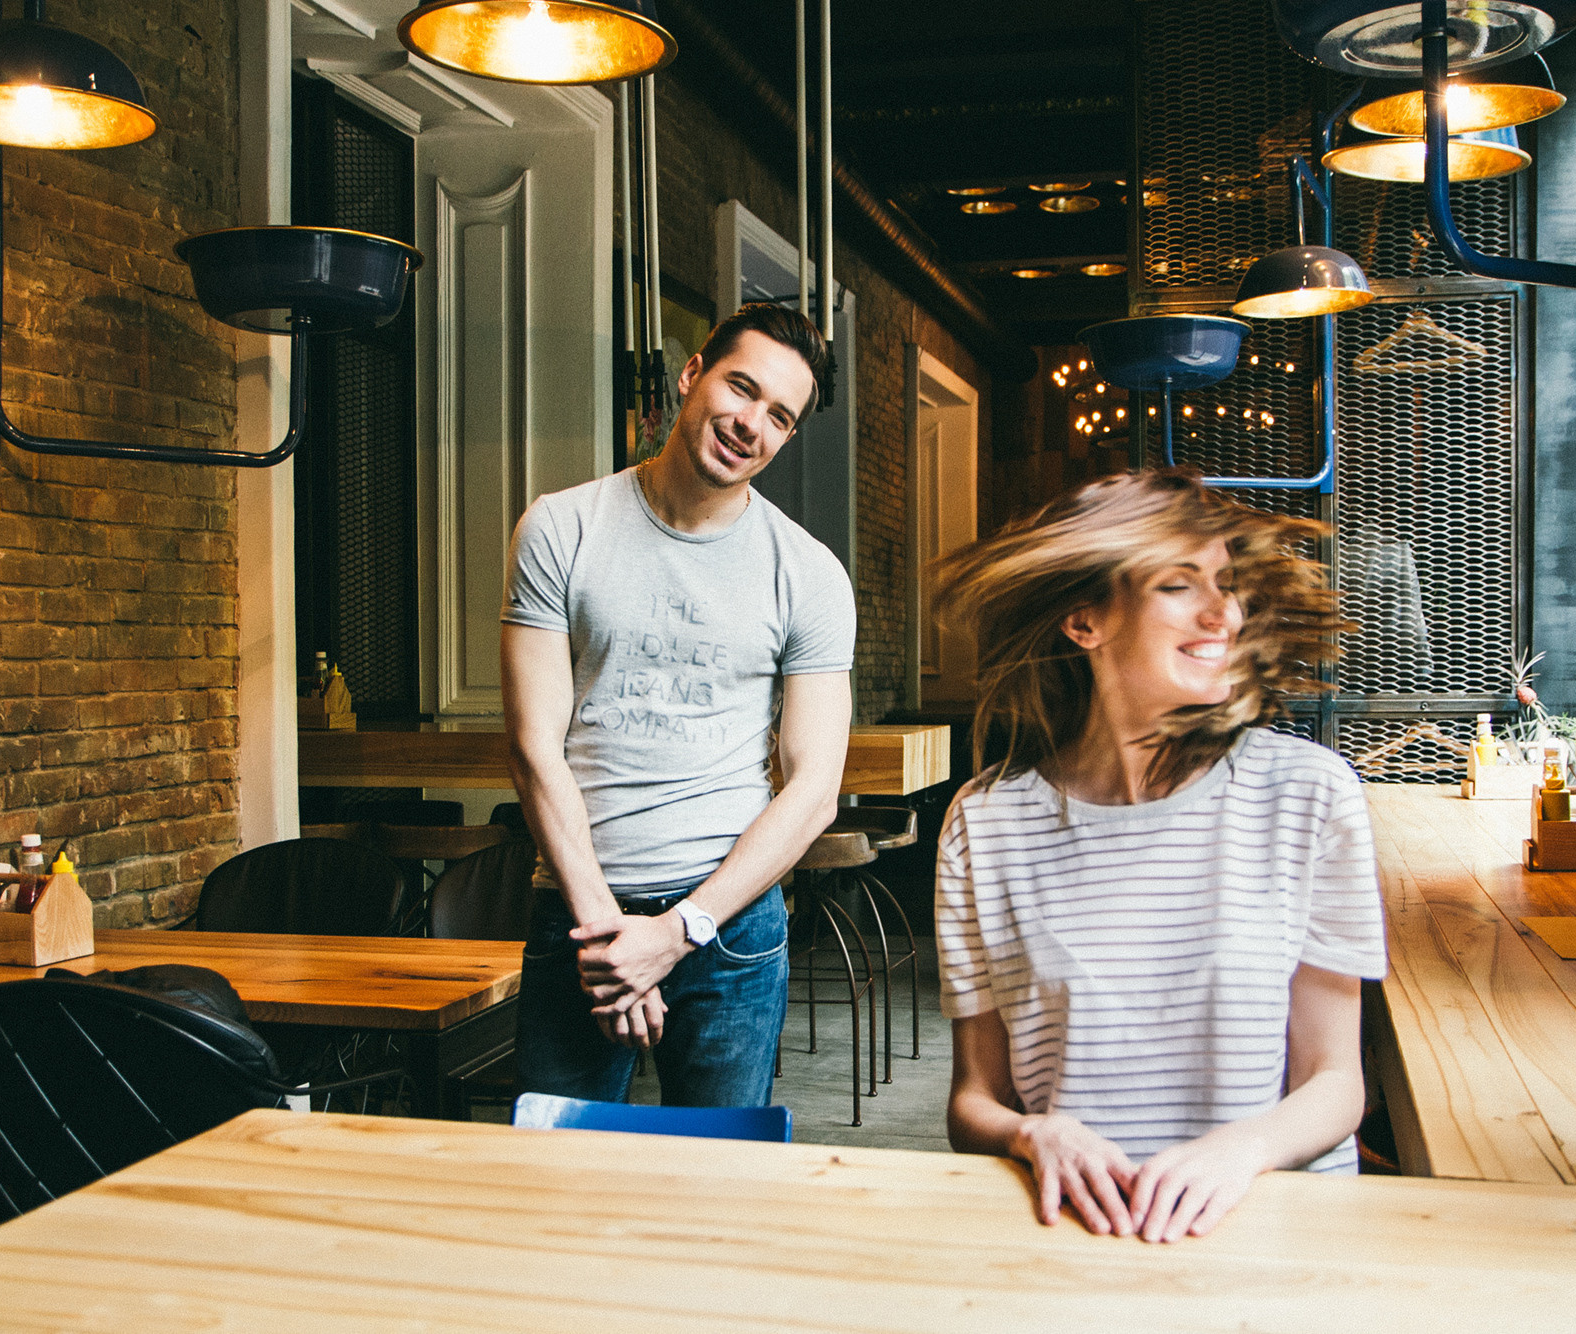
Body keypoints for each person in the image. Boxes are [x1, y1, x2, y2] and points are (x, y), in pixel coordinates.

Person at [932, 469, 1385, 1243]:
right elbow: (977, 1096)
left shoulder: (1308, 795)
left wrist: (1243, 1150)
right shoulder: (986, 824)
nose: (1224, 613)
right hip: (1083, 1235)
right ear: (1085, 622)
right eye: (1180, 585)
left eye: (1227, 584)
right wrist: (1029, 1135)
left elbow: (1336, 1082)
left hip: (1275, 1229)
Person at [500, 302, 855, 1108]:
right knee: (554, 1191)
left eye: (779, 416)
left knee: (719, 1195)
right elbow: (532, 746)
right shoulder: (561, 527)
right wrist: (607, 938)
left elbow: (813, 790)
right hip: (579, 913)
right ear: (692, 374)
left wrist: (675, 934)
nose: (750, 424)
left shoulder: (808, 574)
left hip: (729, 932)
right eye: (741, 388)